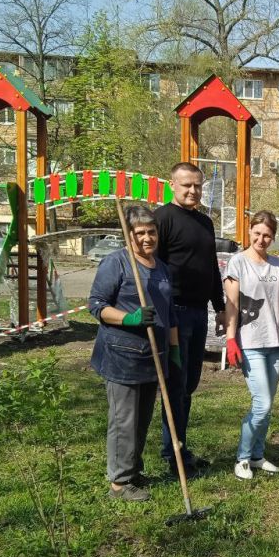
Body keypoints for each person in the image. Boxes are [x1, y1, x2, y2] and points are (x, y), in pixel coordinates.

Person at [89, 205, 179, 502]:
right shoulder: (117, 263)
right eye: (139, 233)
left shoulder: (162, 267)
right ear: (129, 236)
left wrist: (175, 350)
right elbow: (97, 305)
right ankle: (119, 483)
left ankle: (132, 469)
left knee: (142, 419)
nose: (146, 238)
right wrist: (129, 318)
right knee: (124, 420)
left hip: (153, 355)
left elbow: (170, 313)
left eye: (151, 232)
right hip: (122, 356)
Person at [153, 162, 225, 478]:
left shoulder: (205, 223)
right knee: (176, 384)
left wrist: (220, 307)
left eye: (197, 185)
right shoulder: (162, 220)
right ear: (172, 185)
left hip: (198, 314)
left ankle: (180, 445)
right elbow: (152, 268)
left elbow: (211, 270)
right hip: (174, 314)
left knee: (190, 384)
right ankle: (174, 453)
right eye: (186, 185)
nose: (193, 191)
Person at [223, 211, 279, 481]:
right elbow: (232, 304)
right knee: (261, 404)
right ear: (249, 232)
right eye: (257, 233)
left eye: (267, 235)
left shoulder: (278, 266)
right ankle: (243, 458)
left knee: (268, 403)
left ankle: (259, 456)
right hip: (250, 342)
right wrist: (230, 339)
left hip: (277, 342)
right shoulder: (237, 262)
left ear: (273, 237)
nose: (262, 239)